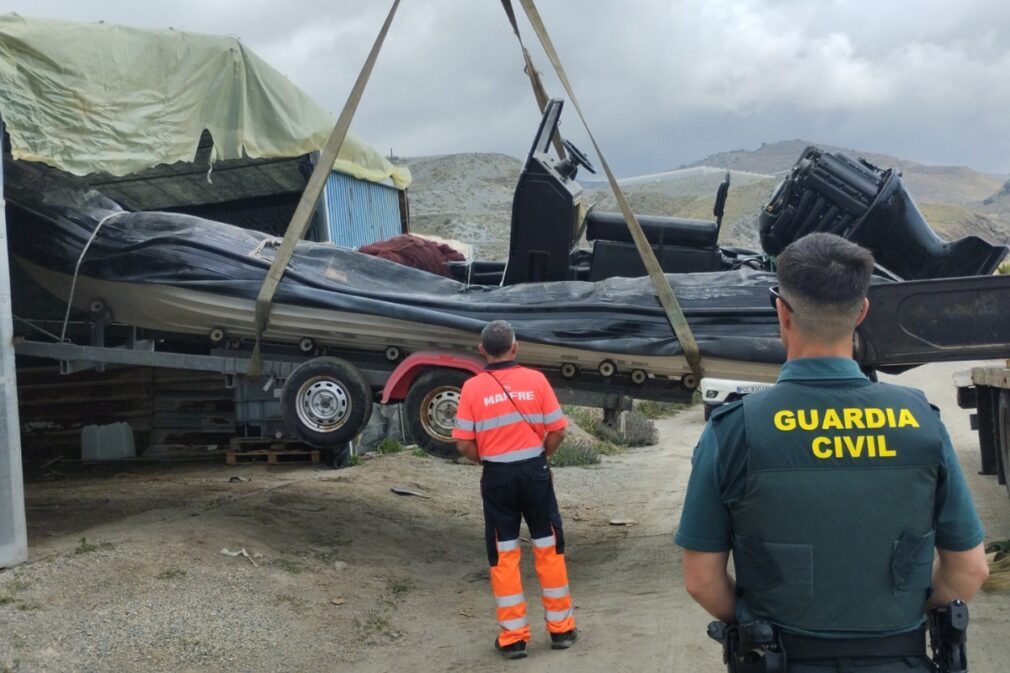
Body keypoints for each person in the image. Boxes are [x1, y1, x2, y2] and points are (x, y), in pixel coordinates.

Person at [675, 233, 989, 672]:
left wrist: (756, 626)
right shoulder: (921, 421)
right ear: (862, 311)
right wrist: (901, 623)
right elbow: (969, 571)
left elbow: (701, 580)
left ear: (781, 311)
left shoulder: (734, 431)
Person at [453, 320, 578, 660]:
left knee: (504, 553)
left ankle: (513, 638)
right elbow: (558, 431)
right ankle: (562, 629)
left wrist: (487, 461)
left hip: (497, 478)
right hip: (535, 472)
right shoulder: (536, 380)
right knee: (548, 546)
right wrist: (541, 457)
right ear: (515, 347)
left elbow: (463, 443)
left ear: (482, 351)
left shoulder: (472, 388)